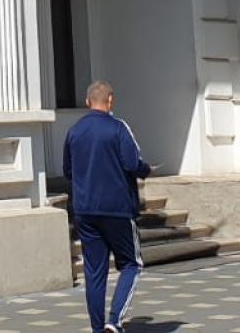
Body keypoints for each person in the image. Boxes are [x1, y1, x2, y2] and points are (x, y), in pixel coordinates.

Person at [64, 80, 151, 333]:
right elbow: (133, 163)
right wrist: (146, 170)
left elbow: (68, 171)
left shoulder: (74, 131)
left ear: (87, 101)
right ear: (110, 100)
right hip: (117, 209)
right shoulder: (118, 128)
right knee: (132, 264)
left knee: (94, 272)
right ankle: (114, 320)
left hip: (85, 210)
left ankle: (97, 328)